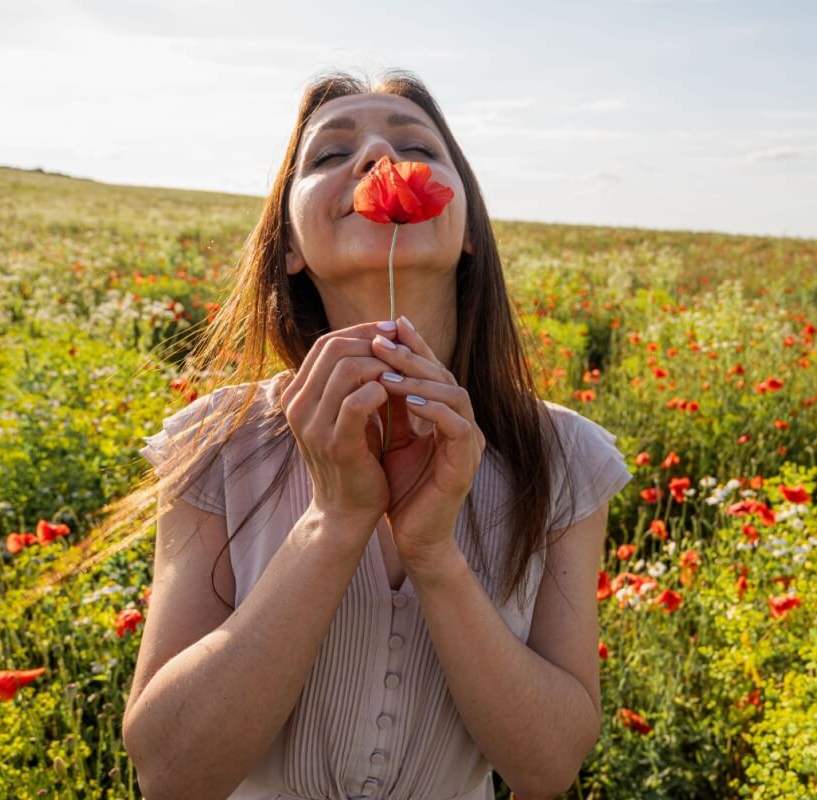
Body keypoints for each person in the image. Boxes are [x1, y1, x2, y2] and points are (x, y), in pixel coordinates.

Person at [119, 68, 632, 800]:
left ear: (467, 234)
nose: (377, 161)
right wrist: (333, 522)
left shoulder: (565, 459)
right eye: (330, 155)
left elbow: (547, 770)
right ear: (290, 246)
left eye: (415, 146)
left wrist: (434, 554)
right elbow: (169, 775)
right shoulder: (216, 444)